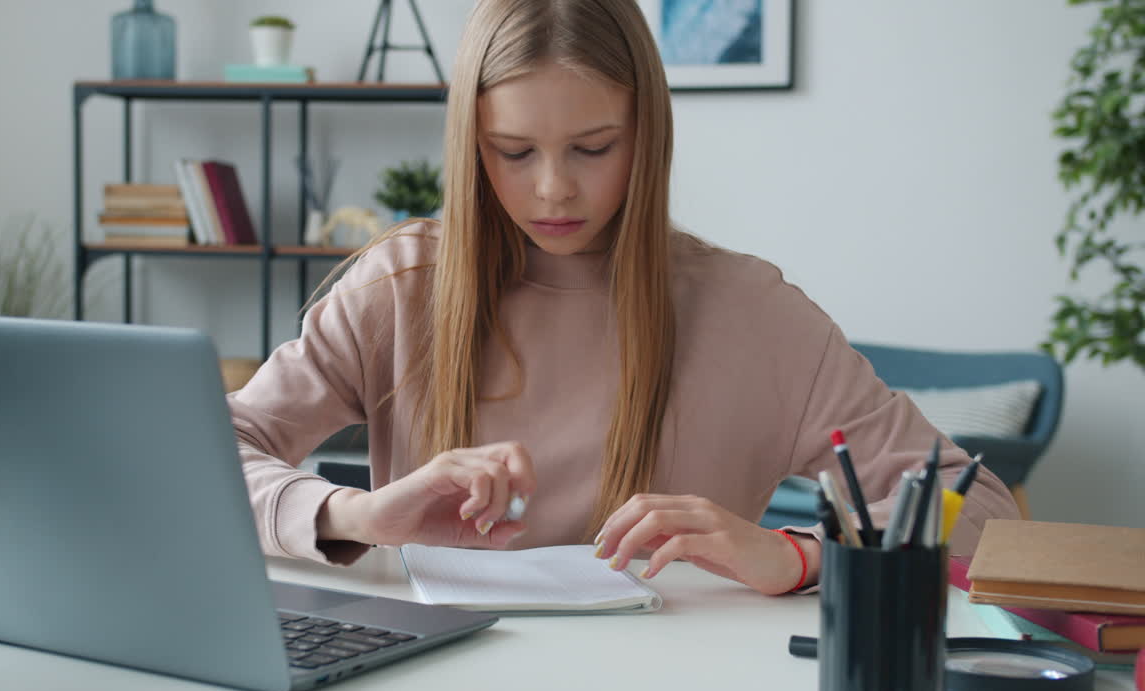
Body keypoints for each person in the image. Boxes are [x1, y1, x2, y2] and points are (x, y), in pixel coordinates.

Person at [228, 0, 1019, 595]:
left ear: (648, 133)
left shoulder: (755, 313)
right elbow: (212, 453)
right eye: (513, 151)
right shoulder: (401, 287)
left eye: (593, 147)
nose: (552, 189)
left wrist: (795, 554)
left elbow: (982, 509)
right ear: (471, 143)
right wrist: (357, 516)